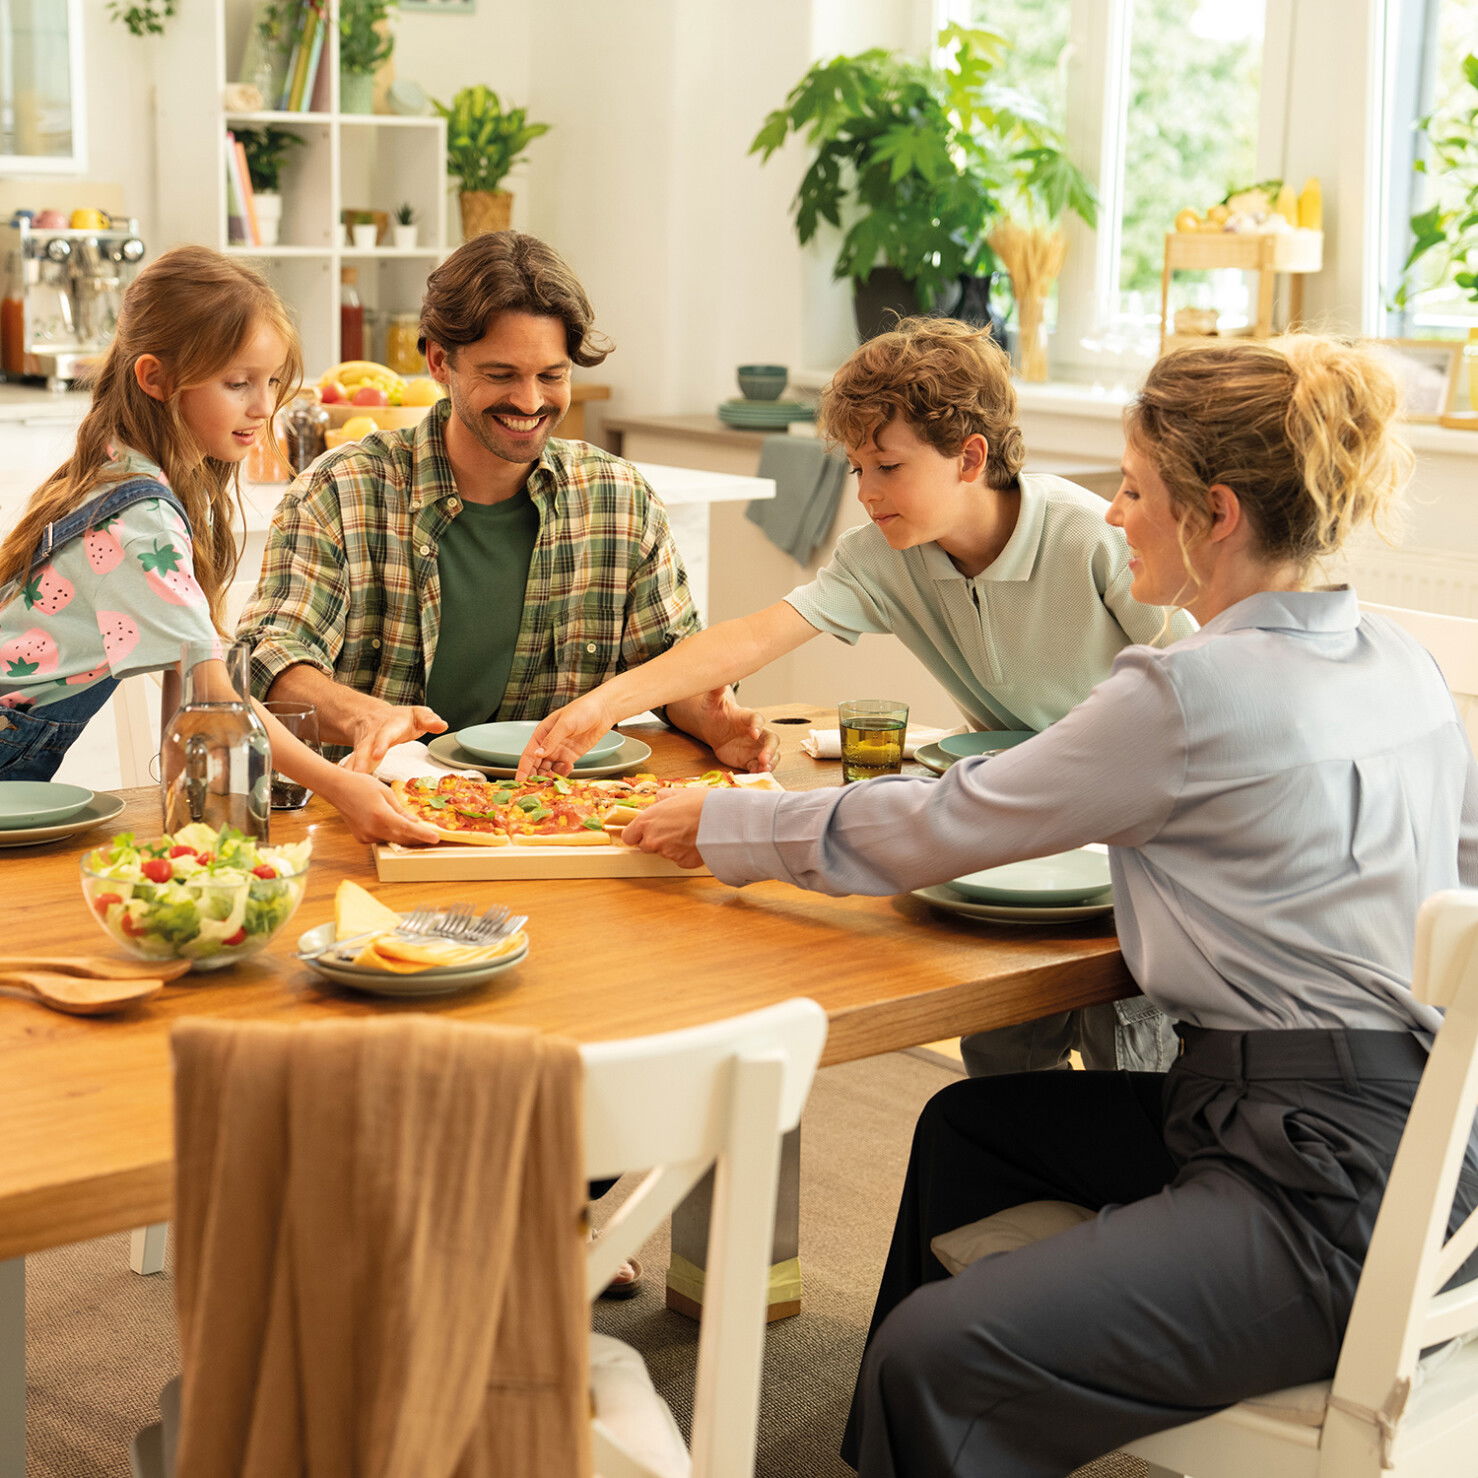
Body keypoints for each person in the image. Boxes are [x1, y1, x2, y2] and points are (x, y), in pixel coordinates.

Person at [622, 334, 1478, 1476]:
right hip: (1418, 1140)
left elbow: (943, 823)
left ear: (1215, 513)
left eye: (1134, 489)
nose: (1112, 513)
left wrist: (724, 827)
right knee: (971, 1131)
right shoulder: (1398, 658)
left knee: (934, 1354)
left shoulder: (1185, 691)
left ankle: (933, 1413)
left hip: (1317, 1187)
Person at [519, 315, 1195, 1075]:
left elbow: (1198, 682)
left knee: (1131, 1069)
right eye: (857, 470)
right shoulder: (883, 557)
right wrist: (601, 706)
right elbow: (751, 637)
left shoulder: (1091, 536)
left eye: (889, 467)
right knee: (1001, 1058)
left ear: (970, 457)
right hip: (1015, 831)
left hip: (1137, 835)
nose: (868, 493)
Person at [235, 230, 768, 776]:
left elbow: (671, 668)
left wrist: (716, 720)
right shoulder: (341, 492)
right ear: (439, 361)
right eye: (501, 375)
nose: (530, 401)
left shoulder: (620, 501)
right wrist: (365, 718)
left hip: (555, 808)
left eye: (552, 376)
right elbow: (267, 660)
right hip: (376, 807)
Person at [0, 246, 435, 847]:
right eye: (237, 383)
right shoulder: (139, 521)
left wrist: (188, 823)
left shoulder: (122, 469)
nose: (264, 406)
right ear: (155, 378)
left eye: (271, 381)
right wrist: (339, 786)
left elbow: (188, 688)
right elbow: (216, 694)